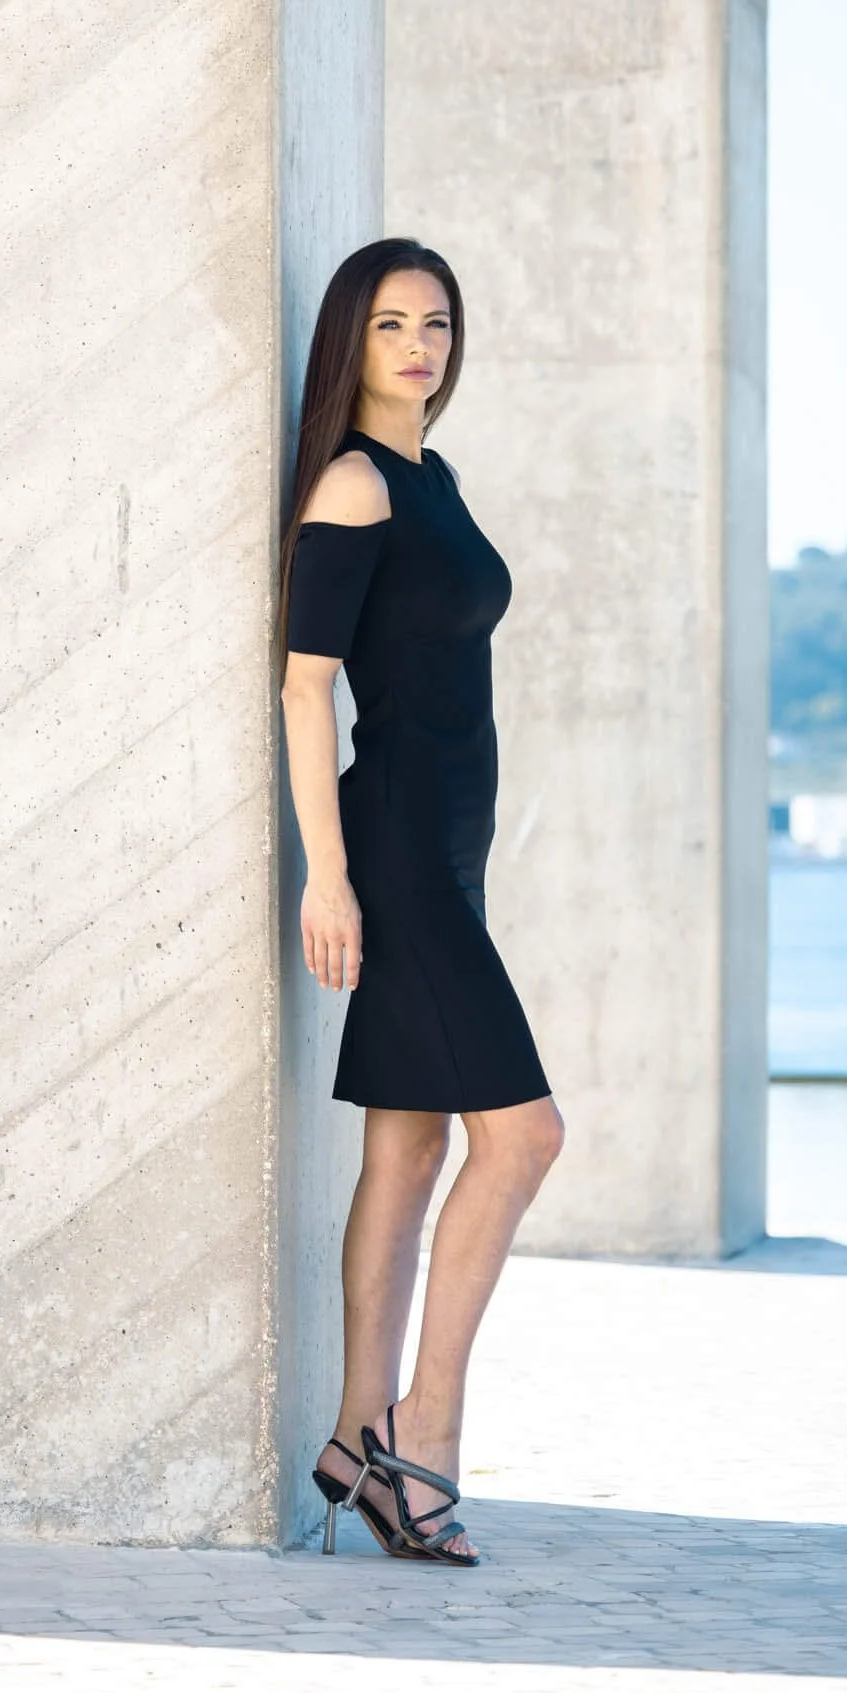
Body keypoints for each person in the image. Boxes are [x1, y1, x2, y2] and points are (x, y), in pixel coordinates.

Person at [278, 238, 564, 1566]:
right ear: (356, 341)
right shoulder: (354, 484)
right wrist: (327, 875)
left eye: (437, 322)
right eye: (391, 322)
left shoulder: (431, 476)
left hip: (450, 847)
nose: (418, 343)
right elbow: (302, 684)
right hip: (393, 848)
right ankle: (425, 1429)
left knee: (410, 1147)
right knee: (524, 1137)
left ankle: (350, 1437)